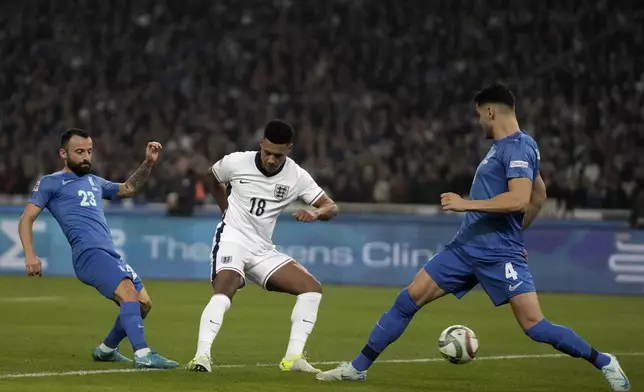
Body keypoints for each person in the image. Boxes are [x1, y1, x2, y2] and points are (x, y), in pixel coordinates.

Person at [315, 84, 631, 392]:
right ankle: (356, 369)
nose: (479, 121)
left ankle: (603, 361)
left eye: (480, 114)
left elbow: (521, 199)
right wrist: (518, 237)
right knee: (407, 299)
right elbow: (539, 195)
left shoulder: (518, 147)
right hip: (466, 247)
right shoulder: (513, 148)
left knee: (535, 327)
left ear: (491, 110)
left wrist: (468, 204)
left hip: (497, 253)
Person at [186, 119, 339, 373]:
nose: (270, 159)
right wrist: (225, 210)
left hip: (262, 249)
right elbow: (211, 178)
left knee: (312, 289)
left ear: (288, 149)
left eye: (277, 155)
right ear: (261, 144)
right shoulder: (236, 162)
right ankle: (201, 356)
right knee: (226, 287)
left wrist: (316, 213)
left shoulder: (297, 176)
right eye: (267, 152)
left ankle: (293, 359)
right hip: (232, 239)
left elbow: (331, 206)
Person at [18, 128, 178, 369]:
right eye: (79, 151)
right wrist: (30, 254)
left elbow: (129, 188)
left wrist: (147, 163)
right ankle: (143, 354)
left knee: (143, 304)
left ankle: (106, 350)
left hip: (108, 253)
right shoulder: (50, 183)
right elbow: (26, 219)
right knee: (127, 292)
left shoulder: (94, 181)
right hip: (88, 254)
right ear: (63, 153)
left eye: (89, 151)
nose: (86, 157)